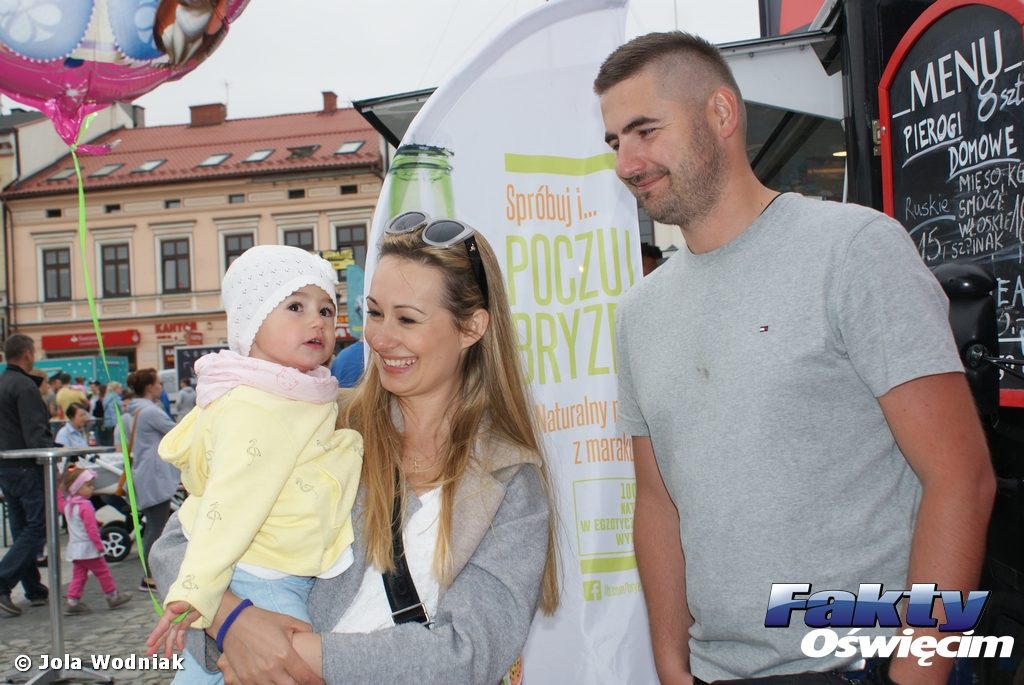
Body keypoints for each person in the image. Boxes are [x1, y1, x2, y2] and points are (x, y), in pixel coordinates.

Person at [594, 32, 995, 685]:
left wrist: (918, 672)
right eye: (615, 141)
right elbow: (657, 502)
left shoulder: (853, 251)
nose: (626, 162)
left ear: (721, 114)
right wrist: (672, 668)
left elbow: (961, 477)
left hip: (863, 662)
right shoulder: (637, 314)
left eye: (644, 131)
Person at [149, 214, 559, 684]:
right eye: (374, 312)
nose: (380, 339)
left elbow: (466, 654)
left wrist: (296, 653)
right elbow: (177, 544)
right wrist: (233, 620)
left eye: (407, 318)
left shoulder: (509, 481)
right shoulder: (322, 420)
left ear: (471, 327)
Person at [148, 245, 363, 682]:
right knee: (288, 670)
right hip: (266, 579)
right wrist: (195, 591)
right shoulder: (263, 409)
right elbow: (229, 504)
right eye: (295, 306)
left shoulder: (282, 392)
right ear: (252, 320)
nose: (317, 320)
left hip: (257, 572)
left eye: (326, 308)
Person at [0, 333, 54, 616]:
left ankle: (33, 588)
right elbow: (35, 433)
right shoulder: (24, 386)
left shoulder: (3, 383)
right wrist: (54, 452)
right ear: (27, 355)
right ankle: (3, 579)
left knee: (22, 528)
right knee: (38, 527)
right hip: (26, 465)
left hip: (6, 465)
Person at [121, 368, 179, 592]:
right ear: (149, 387)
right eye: (158, 383)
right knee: (156, 528)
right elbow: (176, 432)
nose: (161, 387)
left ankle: (151, 574)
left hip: (146, 473)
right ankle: (150, 576)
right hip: (153, 476)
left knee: (154, 526)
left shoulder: (137, 411)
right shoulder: (151, 412)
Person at [58, 466, 133, 615]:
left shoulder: (68, 505)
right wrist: (99, 545)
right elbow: (90, 529)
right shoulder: (86, 506)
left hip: (75, 548)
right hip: (89, 548)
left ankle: (72, 600)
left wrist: (59, 490)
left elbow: (75, 519)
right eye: (88, 485)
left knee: (79, 575)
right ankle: (112, 596)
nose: (92, 488)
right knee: (103, 572)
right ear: (77, 488)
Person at [100, 381, 122, 446]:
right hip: (116, 422)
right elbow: (121, 408)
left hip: (108, 422)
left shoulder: (106, 398)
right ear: (115, 388)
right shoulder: (116, 398)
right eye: (120, 388)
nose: (121, 390)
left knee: (109, 441)